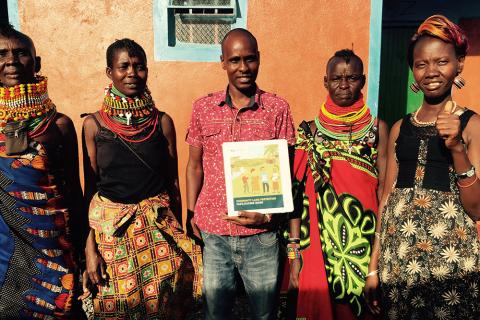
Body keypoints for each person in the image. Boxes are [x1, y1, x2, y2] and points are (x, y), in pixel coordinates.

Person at [364, 15, 480, 319]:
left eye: (441, 62)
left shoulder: (472, 126)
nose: (431, 72)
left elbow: (478, 208)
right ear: (413, 70)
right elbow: (387, 200)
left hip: (449, 268)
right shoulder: (401, 128)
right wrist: (373, 268)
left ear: (460, 64)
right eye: (421, 64)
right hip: (398, 262)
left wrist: (456, 148)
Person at [81, 38, 202, 319]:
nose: (132, 73)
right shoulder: (93, 126)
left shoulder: (162, 123)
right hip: (112, 235)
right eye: (123, 66)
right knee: (116, 308)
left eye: (139, 66)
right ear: (109, 72)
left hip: (158, 231)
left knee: (166, 306)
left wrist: (181, 229)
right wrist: (89, 250)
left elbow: (172, 182)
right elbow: (89, 192)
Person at [186, 28, 295, 319]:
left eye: (250, 59)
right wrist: (190, 211)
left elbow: (286, 172)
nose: (243, 68)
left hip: (262, 234)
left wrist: (269, 216)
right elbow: (194, 164)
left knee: (264, 315)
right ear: (223, 62)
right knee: (215, 314)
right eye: (235, 60)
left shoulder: (277, 109)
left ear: (259, 59)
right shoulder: (203, 108)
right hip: (215, 232)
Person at [285, 49, 388, 319]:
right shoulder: (309, 132)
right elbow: (295, 198)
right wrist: (294, 251)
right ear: (325, 81)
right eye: (336, 79)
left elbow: (384, 191)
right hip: (316, 246)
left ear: (363, 81)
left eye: (352, 78)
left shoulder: (377, 129)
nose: (344, 85)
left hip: (361, 243)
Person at [0, 23, 85, 318]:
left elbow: (74, 191)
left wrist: (87, 251)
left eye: (21, 53)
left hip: (54, 254)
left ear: (36, 63)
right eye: (2, 54)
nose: (11, 60)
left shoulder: (58, 126)